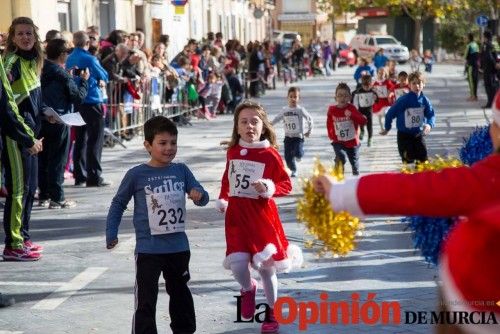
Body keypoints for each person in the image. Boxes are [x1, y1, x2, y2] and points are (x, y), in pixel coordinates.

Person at [312, 91, 500, 334]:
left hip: (476, 299)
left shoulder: (487, 179)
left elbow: (411, 190)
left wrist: (338, 192)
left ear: (495, 132)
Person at [106, 116, 209, 334]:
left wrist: (198, 195)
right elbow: (118, 204)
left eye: (173, 143)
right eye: (162, 143)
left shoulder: (181, 170)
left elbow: (203, 196)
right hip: (148, 249)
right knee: (145, 299)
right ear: (148, 145)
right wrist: (111, 232)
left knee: (180, 293)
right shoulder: (136, 174)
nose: (169, 148)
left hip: (178, 247)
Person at [216, 101, 302, 334]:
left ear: (263, 126)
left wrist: (267, 187)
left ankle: (272, 313)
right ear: (237, 127)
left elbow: (286, 183)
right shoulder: (232, 151)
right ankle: (247, 288)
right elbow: (227, 180)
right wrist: (223, 198)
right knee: (237, 265)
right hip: (236, 217)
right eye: (243, 122)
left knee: (266, 268)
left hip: (262, 218)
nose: (249, 126)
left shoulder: (270, 154)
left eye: (254, 121)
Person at [2, 17, 45, 261]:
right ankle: (13, 244)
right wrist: (28, 138)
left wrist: (47, 114)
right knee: (18, 191)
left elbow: (32, 100)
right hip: (17, 137)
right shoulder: (10, 62)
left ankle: (24, 237)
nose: (25, 37)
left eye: (29, 33)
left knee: (30, 189)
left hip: (32, 135)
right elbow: (8, 108)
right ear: (12, 37)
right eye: (20, 34)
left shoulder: (34, 61)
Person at [38, 39, 89, 209]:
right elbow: (78, 97)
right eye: (67, 53)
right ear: (62, 54)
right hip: (60, 120)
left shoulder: (41, 69)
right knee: (58, 160)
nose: (68, 56)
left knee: (43, 159)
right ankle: (57, 198)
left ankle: (44, 195)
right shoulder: (62, 75)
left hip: (42, 118)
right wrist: (83, 81)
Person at [66, 31, 110, 187]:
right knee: (95, 139)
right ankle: (94, 176)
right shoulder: (89, 58)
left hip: (77, 101)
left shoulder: (69, 58)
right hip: (91, 100)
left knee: (80, 139)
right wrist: (102, 79)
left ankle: (79, 175)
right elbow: (103, 74)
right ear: (87, 43)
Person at [381, 71, 435, 164]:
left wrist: (429, 125)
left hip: (418, 134)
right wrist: (387, 127)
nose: (417, 86)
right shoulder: (403, 100)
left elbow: (430, 114)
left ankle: (421, 177)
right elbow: (390, 113)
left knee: (423, 159)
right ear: (409, 85)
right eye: (414, 83)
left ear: (423, 84)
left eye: (419, 83)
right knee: (408, 159)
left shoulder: (425, 100)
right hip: (404, 135)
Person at [327, 83, 367, 176]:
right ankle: (338, 174)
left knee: (354, 162)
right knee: (341, 157)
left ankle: (356, 177)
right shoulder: (332, 110)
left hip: (352, 141)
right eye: (340, 96)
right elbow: (329, 123)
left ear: (349, 97)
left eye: (345, 96)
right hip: (338, 141)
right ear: (335, 98)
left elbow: (363, 121)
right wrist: (331, 135)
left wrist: (352, 115)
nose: (342, 98)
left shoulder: (352, 108)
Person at [271, 87, 313, 177]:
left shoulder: (300, 110)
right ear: (287, 98)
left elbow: (310, 119)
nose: (293, 99)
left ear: (299, 98)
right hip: (288, 137)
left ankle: (299, 155)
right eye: (291, 96)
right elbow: (277, 118)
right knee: (287, 157)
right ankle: (293, 170)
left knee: (298, 153)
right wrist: (270, 124)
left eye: (295, 97)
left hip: (298, 137)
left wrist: (309, 130)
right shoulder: (284, 110)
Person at [352, 74, 378, 147]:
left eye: (368, 85)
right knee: (361, 122)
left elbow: (377, 100)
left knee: (369, 124)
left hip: (369, 109)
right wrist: (354, 107)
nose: (367, 87)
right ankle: (362, 130)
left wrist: (376, 99)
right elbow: (353, 95)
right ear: (362, 84)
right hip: (360, 109)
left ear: (371, 84)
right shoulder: (359, 91)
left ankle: (370, 138)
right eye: (365, 85)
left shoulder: (372, 91)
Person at [372, 66, 394, 131]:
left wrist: (390, 94)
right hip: (378, 101)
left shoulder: (387, 82)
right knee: (379, 117)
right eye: (379, 73)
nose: (381, 74)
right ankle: (382, 128)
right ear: (377, 73)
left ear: (385, 74)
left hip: (386, 101)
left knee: (386, 113)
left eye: (382, 73)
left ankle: (387, 125)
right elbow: (373, 91)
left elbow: (392, 88)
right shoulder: (375, 82)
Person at [479, 30, 498, 109]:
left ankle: (490, 103)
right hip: (494, 70)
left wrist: (483, 66)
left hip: (488, 69)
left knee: (488, 86)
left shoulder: (486, 45)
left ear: (485, 37)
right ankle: (493, 102)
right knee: (493, 85)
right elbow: (496, 55)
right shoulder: (495, 44)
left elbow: (488, 56)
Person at [464, 32, 480, 102]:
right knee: (475, 80)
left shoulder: (469, 45)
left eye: (467, 37)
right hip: (476, 65)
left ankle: (472, 96)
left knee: (471, 81)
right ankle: (475, 96)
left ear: (469, 38)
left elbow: (465, 56)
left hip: (471, 66)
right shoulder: (476, 45)